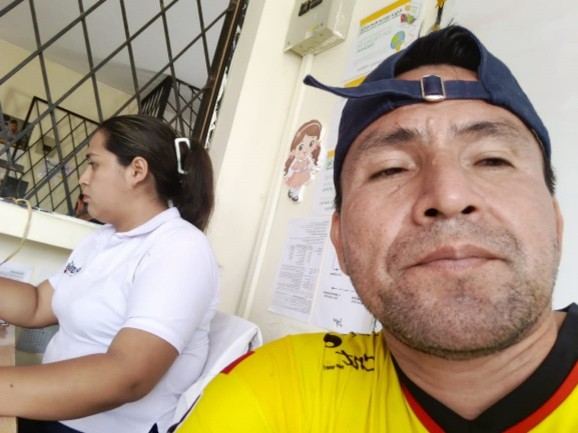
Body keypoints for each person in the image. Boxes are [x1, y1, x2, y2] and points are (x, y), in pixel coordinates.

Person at [175, 25, 575, 432]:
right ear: (340, 243)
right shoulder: (272, 390)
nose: (449, 195)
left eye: (492, 160)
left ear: (556, 221)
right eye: (391, 169)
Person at [0, 114, 220, 433]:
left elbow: (126, 376)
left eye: (94, 164)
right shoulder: (102, 239)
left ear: (136, 171)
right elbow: (36, 304)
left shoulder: (181, 248)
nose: (83, 178)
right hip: (51, 412)